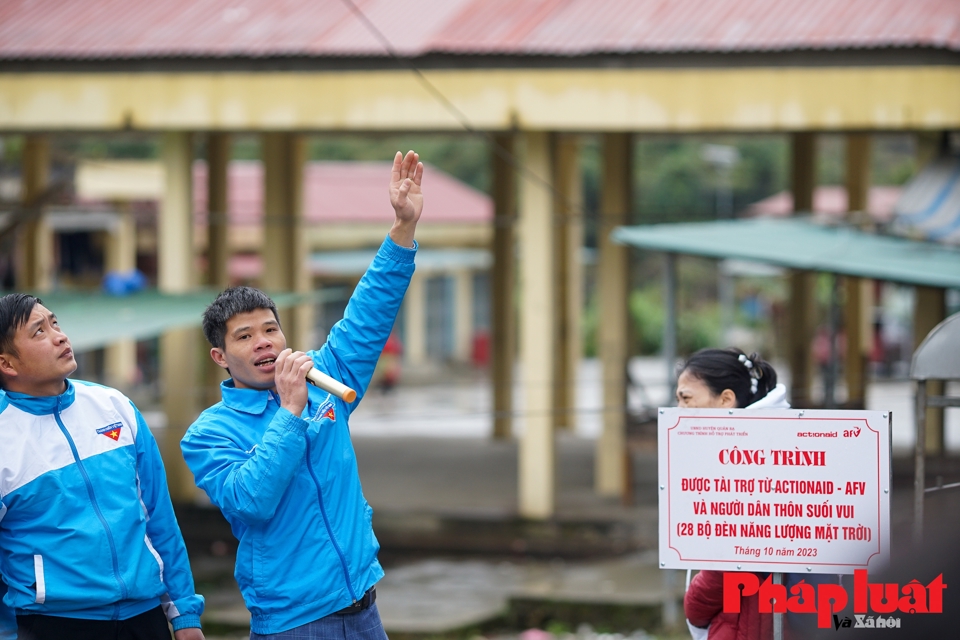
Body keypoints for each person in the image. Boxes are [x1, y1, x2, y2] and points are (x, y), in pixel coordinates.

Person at [180, 151, 423, 639]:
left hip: (364, 605)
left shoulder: (324, 376)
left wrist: (402, 228)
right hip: (295, 621)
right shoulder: (207, 434)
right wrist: (290, 412)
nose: (264, 341)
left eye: (270, 329)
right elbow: (251, 502)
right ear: (220, 357)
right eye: (245, 336)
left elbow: (368, 313)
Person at [0, 293, 205, 640]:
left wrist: (185, 612)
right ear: (7, 364)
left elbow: (159, 518)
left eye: (55, 323)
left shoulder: (114, 406)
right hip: (53, 625)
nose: (60, 336)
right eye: (39, 332)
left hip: (145, 617)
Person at [679, 348, 788, 640]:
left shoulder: (752, 464)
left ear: (726, 399)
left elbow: (732, 563)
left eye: (686, 399)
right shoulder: (776, 443)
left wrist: (693, 605)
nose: (678, 411)